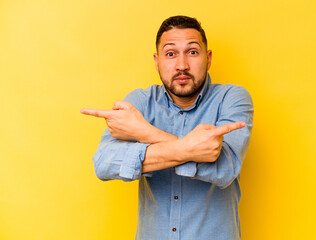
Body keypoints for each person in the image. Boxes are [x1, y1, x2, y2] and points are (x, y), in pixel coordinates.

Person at [81, 15, 253, 240]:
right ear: (157, 61)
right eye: (170, 54)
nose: (182, 65)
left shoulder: (232, 98)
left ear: (208, 58)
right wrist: (192, 150)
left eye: (192, 52)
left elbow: (225, 168)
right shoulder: (140, 101)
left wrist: (145, 133)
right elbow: (104, 163)